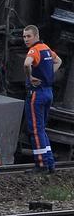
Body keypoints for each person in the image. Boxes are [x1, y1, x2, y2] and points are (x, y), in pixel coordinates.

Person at [23, 25, 62, 173]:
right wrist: (49, 75)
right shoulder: (46, 48)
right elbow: (59, 61)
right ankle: (49, 162)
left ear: (36, 36)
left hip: (37, 93)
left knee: (35, 129)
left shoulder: (34, 50)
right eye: (24, 36)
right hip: (48, 92)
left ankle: (41, 164)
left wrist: (29, 77)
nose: (26, 39)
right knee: (42, 129)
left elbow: (27, 64)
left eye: (28, 36)